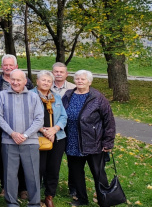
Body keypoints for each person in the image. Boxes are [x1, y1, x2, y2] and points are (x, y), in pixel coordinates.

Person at [62, 70, 116, 207]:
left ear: (89, 82)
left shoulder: (97, 97)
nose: (79, 81)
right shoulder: (68, 95)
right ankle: (81, 199)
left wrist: (108, 141)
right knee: (76, 173)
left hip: (93, 142)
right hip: (72, 141)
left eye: (83, 79)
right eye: (77, 78)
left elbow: (109, 120)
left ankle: (104, 200)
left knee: (99, 174)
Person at [0, 69, 44, 207]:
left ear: (25, 81)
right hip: (9, 141)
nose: (15, 82)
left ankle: (34, 203)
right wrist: (12, 133)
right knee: (10, 175)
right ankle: (11, 203)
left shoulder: (34, 97)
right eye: (13, 79)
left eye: (19, 80)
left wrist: (26, 135)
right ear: (9, 80)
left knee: (32, 174)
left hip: (30, 141)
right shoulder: (2, 95)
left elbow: (39, 119)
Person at [0, 54, 33, 191]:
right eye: (5, 65)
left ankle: (23, 187)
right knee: (4, 156)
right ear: (1, 66)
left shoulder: (26, 82)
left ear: (16, 66)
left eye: (11, 65)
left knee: (23, 156)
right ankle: (6, 186)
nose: (8, 67)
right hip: (2, 126)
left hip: (24, 126)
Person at [31, 71, 67, 207]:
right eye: (43, 80)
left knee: (53, 168)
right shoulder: (30, 96)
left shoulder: (56, 97)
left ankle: (49, 195)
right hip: (37, 137)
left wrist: (55, 129)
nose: (46, 83)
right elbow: (28, 117)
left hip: (57, 138)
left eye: (49, 81)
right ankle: (35, 196)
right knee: (38, 168)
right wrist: (43, 130)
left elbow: (64, 116)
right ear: (37, 81)